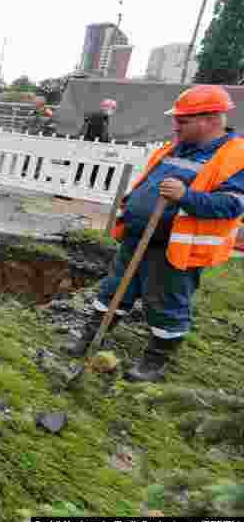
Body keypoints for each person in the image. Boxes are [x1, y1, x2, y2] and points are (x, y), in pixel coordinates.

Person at [67, 85, 244, 383]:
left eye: (183, 120)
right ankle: (88, 339)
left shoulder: (235, 157)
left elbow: (231, 205)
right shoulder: (175, 148)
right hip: (138, 238)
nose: (175, 125)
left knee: (167, 305)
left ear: (211, 119)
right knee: (113, 291)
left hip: (174, 250)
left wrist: (185, 196)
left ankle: (154, 361)